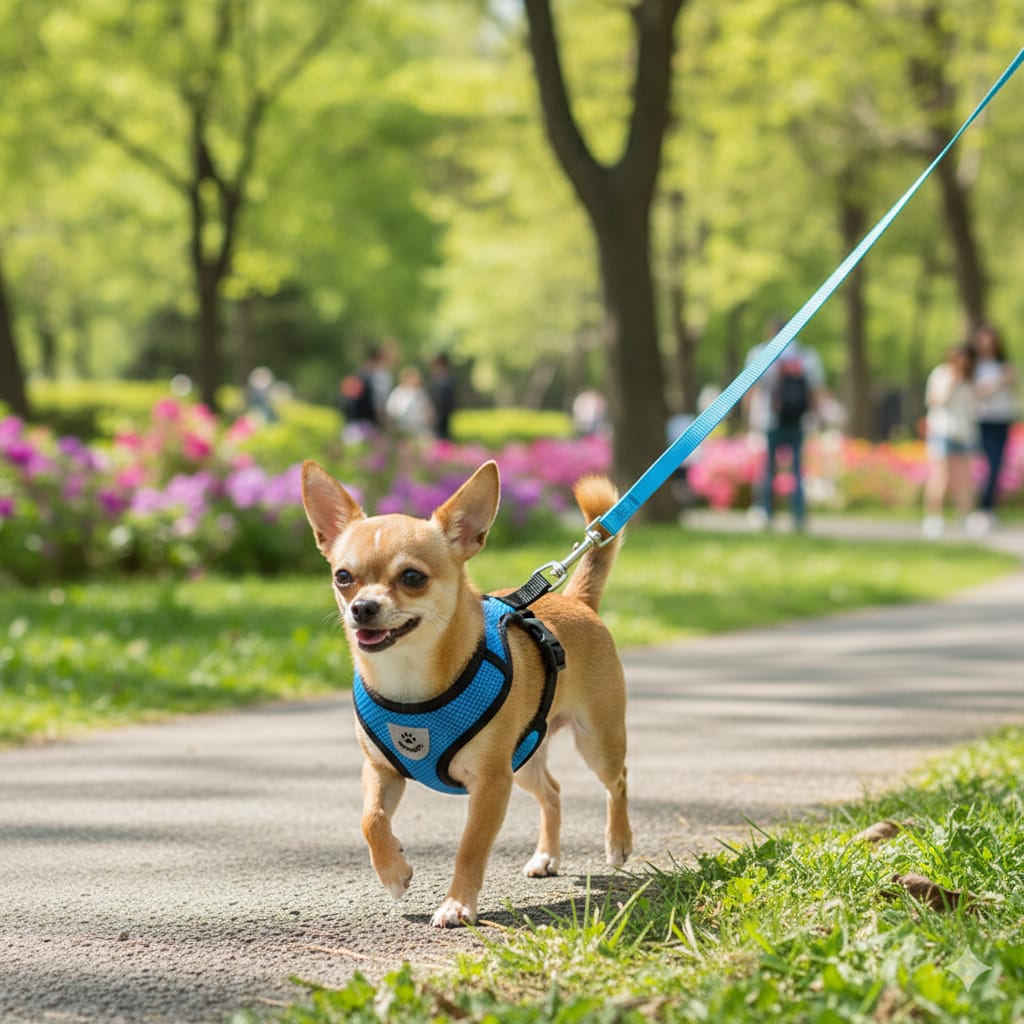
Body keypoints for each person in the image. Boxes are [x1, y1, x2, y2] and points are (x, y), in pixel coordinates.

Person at [743, 317, 826, 530]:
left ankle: (766, 511)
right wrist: (818, 416)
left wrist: (746, 416)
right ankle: (798, 514)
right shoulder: (806, 355)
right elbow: (815, 389)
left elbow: (751, 389)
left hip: (769, 419)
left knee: (768, 468)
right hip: (798, 419)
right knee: (797, 468)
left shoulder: (760, 353)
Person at [922, 343, 977, 539]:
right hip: (942, 432)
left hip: (965, 434)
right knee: (940, 478)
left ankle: (965, 519)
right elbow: (935, 400)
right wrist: (953, 382)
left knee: (965, 481)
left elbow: (974, 407)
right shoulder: (941, 374)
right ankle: (933, 519)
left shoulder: (970, 380)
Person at [970, 324, 1016, 528]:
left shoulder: (1005, 364)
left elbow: (1013, 382)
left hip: (1003, 419)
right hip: (983, 420)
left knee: (998, 464)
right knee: (986, 464)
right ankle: (981, 508)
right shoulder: (974, 366)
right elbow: (979, 392)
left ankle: (988, 509)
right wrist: (999, 380)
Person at [386, 366, 435, 436]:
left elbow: (427, 408)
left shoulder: (420, 392)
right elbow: (391, 409)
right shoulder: (398, 392)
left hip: (419, 426)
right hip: (402, 426)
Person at [428, 353, 457, 441]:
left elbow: (449, 400)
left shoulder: (448, 380)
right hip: (435, 414)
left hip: (443, 415)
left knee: (443, 437)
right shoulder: (435, 380)